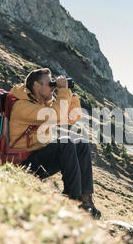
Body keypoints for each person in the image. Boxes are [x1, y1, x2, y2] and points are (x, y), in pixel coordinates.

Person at [8, 68, 101, 219]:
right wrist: (62, 90)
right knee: (66, 143)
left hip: (38, 158)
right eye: (50, 84)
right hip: (24, 164)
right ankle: (74, 200)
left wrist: (69, 93)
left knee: (81, 144)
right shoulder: (23, 107)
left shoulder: (40, 105)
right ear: (37, 86)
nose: (53, 87)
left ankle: (86, 200)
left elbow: (71, 117)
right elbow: (57, 114)